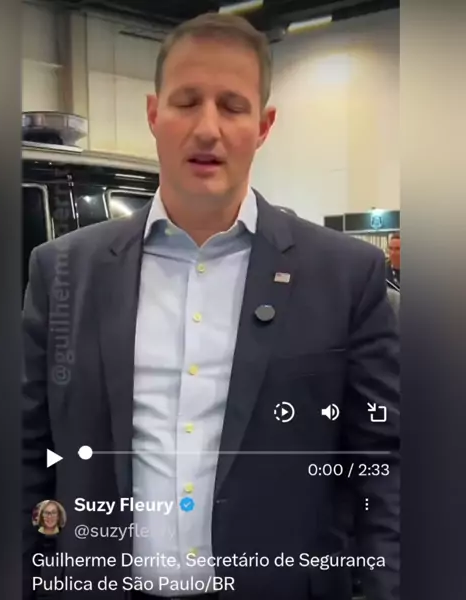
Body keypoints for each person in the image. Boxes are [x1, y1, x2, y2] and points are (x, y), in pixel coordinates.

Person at [22, 12, 399, 600]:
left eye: (232, 106)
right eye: (187, 101)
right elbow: (26, 452)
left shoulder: (346, 276)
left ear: (264, 125)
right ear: (154, 114)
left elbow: (383, 465)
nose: (207, 128)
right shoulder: (63, 271)